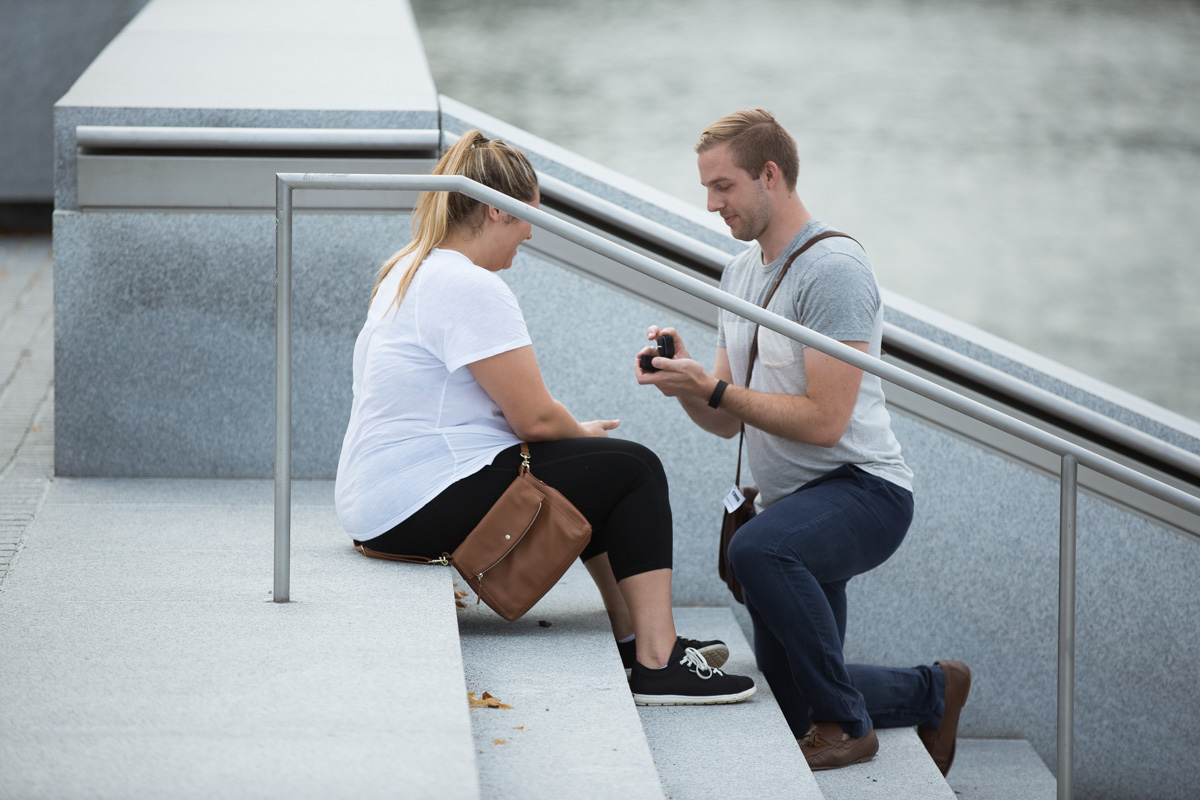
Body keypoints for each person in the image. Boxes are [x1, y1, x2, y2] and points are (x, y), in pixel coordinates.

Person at [334, 130, 755, 707]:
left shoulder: (412, 268)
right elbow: (533, 418)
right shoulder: (468, 284)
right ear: (493, 209)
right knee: (634, 470)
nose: (531, 231)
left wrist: (576, 441)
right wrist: (577, 432)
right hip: (413, 500)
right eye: (526, 216)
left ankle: (635, 637)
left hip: (381, 498)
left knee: (599, 469)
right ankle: (659, 661)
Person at [635, 109, 971, 771]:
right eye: (706, 187)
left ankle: (850, 727)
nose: (711, 204)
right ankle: (934, 690)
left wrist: (718, 390)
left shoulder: (835, 270)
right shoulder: (739, 274)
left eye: (724, 186)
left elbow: (825, 420)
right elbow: (728, 418)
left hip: (864, 492)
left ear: (770, 175)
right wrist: (690, 387)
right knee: (794, 701)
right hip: (794, 506)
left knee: (762, 551)